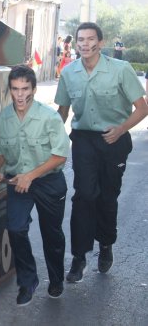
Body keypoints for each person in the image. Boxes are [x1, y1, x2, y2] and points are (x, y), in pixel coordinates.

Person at [55, 22, 148, 283]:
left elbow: (142, 108)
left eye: (90, 39)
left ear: (101, 42)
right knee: (84, 194)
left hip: (114, 140)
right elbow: (62, 110)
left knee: (107, 197)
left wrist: (120, 129)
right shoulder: (69, 72)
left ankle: (105, 244)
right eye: (81, 40)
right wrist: (51, 137)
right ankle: (79, 257)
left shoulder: (121, 70)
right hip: (84, 139)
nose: (84, 44)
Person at [0, 65, 70, 306]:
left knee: (51, 234)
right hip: (18, 182)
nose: (20, 94)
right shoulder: (4, 117)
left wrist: (31, 176)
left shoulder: (49, 117)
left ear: (34, 89)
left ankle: (56, 280)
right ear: (10, 91)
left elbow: (60, 155)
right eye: (15, 89)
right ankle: (28, 281)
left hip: (48, 181)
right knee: (15, 229)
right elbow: (2, 149)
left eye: (25, 88)